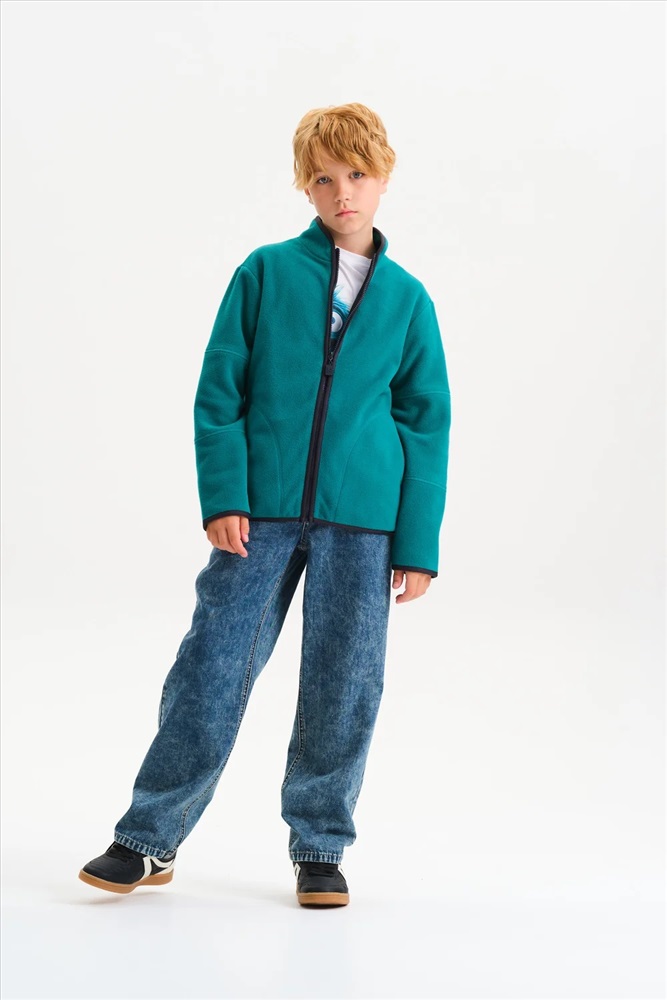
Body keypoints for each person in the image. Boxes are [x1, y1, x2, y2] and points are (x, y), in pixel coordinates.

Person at [78, 102, 452, 908]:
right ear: (304, 188)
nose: (341, 192)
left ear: (383, 179)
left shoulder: (407, 299)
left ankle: (320, 847)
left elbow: (426, 422)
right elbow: (220, 391)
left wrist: (416, 544)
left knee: (344, 682)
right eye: (323, 179)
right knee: (211, 666)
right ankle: (148, 837)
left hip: (364, 520)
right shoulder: (265, 273)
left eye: (356, 175)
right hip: (262, 511)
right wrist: (224, 494)